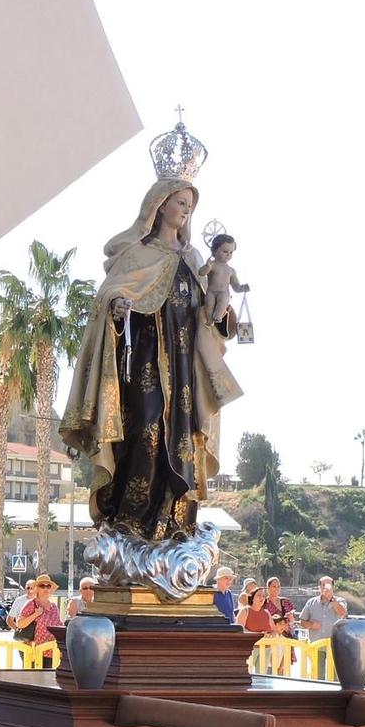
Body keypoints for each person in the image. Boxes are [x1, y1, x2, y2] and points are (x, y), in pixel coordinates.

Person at [59, 171, 242, 546]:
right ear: (159, 206)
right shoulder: (138, 254)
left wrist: (221, 315)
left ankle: (174, 522)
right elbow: (110, 294)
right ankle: (131, 518)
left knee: (183, 441)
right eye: (180, 202)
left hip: (184, 365)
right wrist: (119, 303)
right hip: (145, 359)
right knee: (146, 429)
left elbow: (207, 311)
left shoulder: (193, 258)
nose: (186, 210)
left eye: (190, 205)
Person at [199, 232, 250, 331]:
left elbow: (236, 287)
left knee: (224, 300)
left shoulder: (230, 270)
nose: (228, 255)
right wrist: (207, 266)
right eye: (225, 251)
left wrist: (243, 288)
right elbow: (201, 273)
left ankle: (218, 315)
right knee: (209, 304)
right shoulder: (213, 265)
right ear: (214, 251)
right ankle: (210, 320)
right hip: (211, 291)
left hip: (224, 292)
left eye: (231, 252)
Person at [14, 576, 61, 650]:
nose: (46, 588)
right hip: (34, 650)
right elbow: (19, 624)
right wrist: (35, 615)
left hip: (52, 650)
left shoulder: (54, 606)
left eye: (48, 586)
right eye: (42, 586)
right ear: (37, 589)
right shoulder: (31, 604)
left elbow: (59, 625)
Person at [297, 575, 347, 644]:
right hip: (315, 646)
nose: (325, 587)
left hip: (334, 647)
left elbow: (342, 613)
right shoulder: (311, 602)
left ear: (333, 587)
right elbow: (302, 622)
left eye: (328, 585)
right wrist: (311, 625)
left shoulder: (340, 601)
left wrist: (331, 599)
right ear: (319, 587)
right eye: (323, 585)